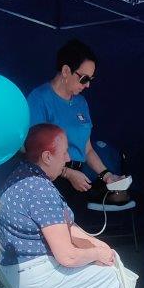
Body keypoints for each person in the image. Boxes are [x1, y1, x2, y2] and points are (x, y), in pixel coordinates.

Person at [0, 123, 126, 288]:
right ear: (47, 156)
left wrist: (96, 245)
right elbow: (67, 256)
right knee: (107, 277)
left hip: (14, 270)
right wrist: (97, 253)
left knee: (88, 265)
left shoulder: (23, 175)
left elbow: (64, 224)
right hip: (29, 275)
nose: (68, 158)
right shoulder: (40, 190)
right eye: (64, 152)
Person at [27, 40, 124, 200]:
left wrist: (107, 176)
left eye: (91, 79)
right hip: (50, 180)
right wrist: (67, 173)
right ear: (66, 70)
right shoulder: (39, 99)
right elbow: (33, 152)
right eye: (84, 79)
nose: (88, 85)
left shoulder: (81, 102)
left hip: (79, 177)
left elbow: (87, 149)